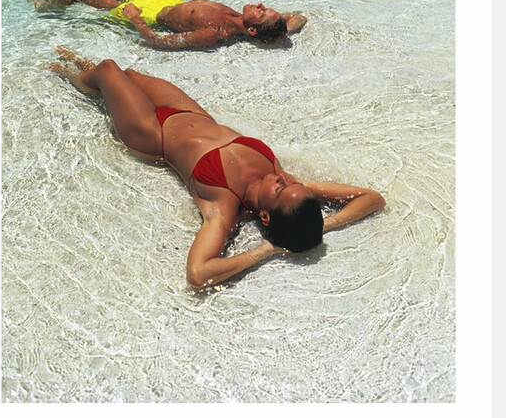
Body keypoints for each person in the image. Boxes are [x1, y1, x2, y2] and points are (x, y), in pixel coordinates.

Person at [48, 47, 386, 288]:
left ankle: (70, 76)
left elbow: (198, 274)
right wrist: (323, 225)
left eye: (280, 188)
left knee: (108, 70)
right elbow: (372, 198)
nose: (283, 178)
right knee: (129, 77)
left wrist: (267, 250)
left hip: (152, 132)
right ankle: (85, 72)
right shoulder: (292, 190)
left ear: (265, 216)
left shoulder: (223, 208)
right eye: (289, 182)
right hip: (192, 114)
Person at [33, 0, 307, 49]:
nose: (260, 4)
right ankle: (57, 3)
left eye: (262, 12)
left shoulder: (213, 33)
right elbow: (298, 17)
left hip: (146, 13)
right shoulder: (239, 19)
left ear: (253, 29)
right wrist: (282, 30)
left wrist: (135, 18)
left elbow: (159, 42)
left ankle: (50, 8)